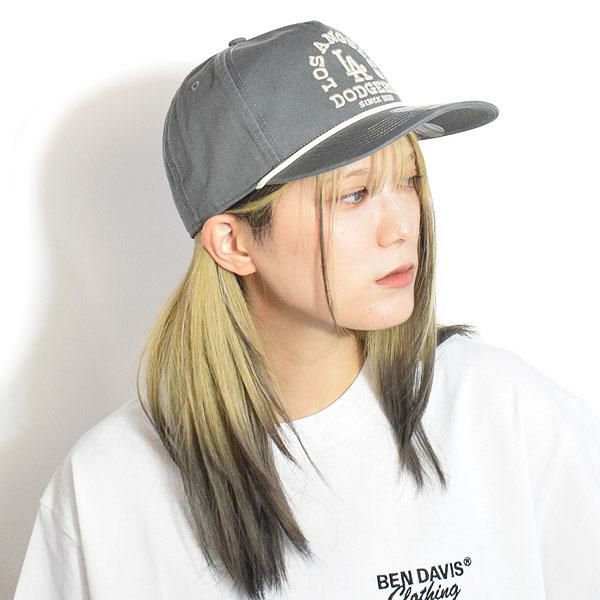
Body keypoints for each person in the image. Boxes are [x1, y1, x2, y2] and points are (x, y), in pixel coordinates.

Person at [13, 19, 600, 600]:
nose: (402, 228)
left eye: (408, 181)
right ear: (234, 243)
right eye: (354, 194)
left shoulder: (502, 414)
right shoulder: (106, 489)